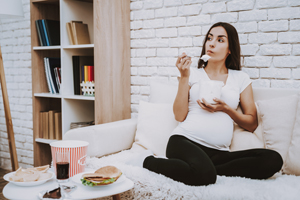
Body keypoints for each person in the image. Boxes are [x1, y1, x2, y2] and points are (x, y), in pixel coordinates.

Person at [128, 22, 283, 186]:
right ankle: (147, 161)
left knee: (273, 160)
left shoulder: (240, 78)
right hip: (185, 141)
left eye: (220, 40)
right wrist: (184, 77)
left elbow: (252, 124)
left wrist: (227, 109)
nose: (212, 43)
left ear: (230, 49)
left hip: (219, 153)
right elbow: (179, 115)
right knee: (205, 176)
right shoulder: (192, 74)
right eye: (209, 38)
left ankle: (206, 168)